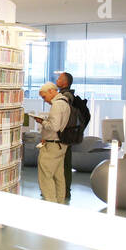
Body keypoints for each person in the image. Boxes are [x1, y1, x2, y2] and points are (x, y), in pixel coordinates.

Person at [32, 82, 71, 203]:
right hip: (61, 144)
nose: (45, 100)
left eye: (44, 97)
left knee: (46, 176)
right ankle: (59, 203)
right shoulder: (65, 103)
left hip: (52, 146)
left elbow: (54, 126)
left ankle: (51, 203)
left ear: (51, 91)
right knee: (59, 176)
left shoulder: (57, 105)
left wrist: (41, 122)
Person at [55, 71, 75, 202]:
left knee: (64, 163)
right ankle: (63, 190)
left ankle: (65, 191)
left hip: (65, 135)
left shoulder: (66, 96)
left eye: (60, 78)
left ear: (65, 82)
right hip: (67, 133)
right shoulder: (64, 95)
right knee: (63, 163)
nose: (57, 79)